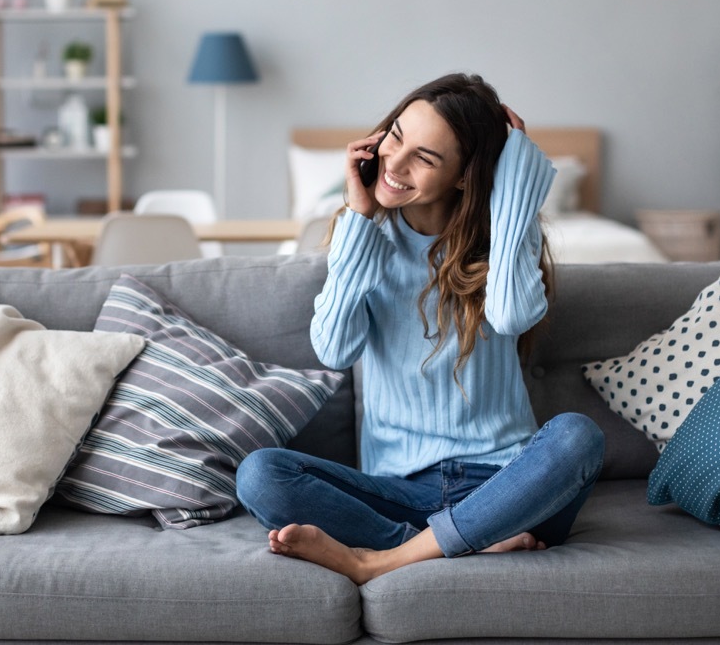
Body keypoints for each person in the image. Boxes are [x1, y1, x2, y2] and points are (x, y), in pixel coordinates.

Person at [235, 73, 604, 585]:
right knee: (260, 475)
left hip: (505, 487)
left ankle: (379, 560)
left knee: (576, 438)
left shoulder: (501, 244)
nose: (395, 163)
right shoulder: (366, 239)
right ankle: (452, 545)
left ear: (463, 177)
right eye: (396, 136)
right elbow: (334, 349)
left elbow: (513, 315)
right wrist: (359, 221)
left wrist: (514, 182)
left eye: (425, 158)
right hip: (398, 493)